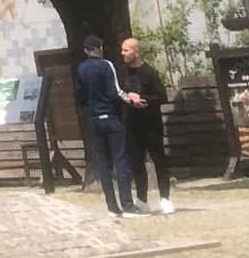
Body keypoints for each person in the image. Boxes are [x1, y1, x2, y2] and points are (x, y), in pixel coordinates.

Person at [73, 33, 136, 218]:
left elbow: (80, 96)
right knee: (120, 161)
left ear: (86, 50)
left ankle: (111, 207)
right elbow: (115, 91)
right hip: (111, 117)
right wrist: (130, 100)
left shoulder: (81, 69)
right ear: (99, 48)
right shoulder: (106, 65)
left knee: (104, 165)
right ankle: (127, 204)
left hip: (94, 120)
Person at [120, 37, 175, 215]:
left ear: (136, 52)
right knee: (136, 163)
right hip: (131, 124)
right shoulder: (122, 73)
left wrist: (142, 98)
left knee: (159, 160)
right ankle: (142, 200)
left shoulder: (149, 73)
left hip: (151, 124)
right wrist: (128, 98)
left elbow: (162, 96)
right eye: (122, 50)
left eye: (126, 50)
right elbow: (118, 93)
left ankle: (165, 198)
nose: (123, 53)